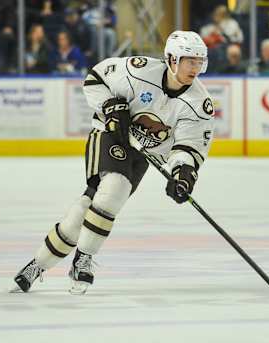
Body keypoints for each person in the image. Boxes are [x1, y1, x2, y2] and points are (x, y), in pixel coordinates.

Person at [12, 30, 215, 295]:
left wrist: (183, 173)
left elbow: (188, 146)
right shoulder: (139, 71)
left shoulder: (199, 104)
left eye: (199, 62)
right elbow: (95, 78)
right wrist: (110, 105)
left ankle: (37, 265)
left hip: (143, 154)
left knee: (90, 205)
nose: (195, 68)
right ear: (171, 59)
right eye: (189, 60)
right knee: (115, 188)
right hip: (110, 134)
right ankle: (83, 259)